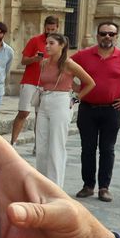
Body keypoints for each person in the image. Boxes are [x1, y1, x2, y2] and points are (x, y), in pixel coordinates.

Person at [70, 23, 120, 201]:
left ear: (116, 37)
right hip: (87, 109)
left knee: (107, 149)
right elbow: (65, 68)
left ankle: (104, 188)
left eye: (111, 34)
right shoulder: (84, 55)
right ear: (97, 36)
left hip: (111, 110)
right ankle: (88, 185)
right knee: (87, 149)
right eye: (103, 33)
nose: (107, 37)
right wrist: (74, 87)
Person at [30, 33, 94, 192]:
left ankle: (55, 187)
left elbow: (90, 83)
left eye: (51, 43)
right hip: (44, 100)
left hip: (61, 101)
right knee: (42, 144)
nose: (47, 46)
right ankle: (42, 183)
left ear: (61, 45)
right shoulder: (43, 63)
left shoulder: (68, 64)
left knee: (56, 145)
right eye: (46, 43)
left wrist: (76, 99)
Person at [10, 15, 59, 145]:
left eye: (52, 29)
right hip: (30, 81)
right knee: (23, 112)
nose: (49, 31)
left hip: (46, 84)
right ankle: (13, 143)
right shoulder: (35, 40)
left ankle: (39, 146)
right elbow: (24, 60)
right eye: (48, 28)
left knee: (41, 116)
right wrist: (34, 59)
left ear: (57, 28)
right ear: (44, 27)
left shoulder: (59, 44)